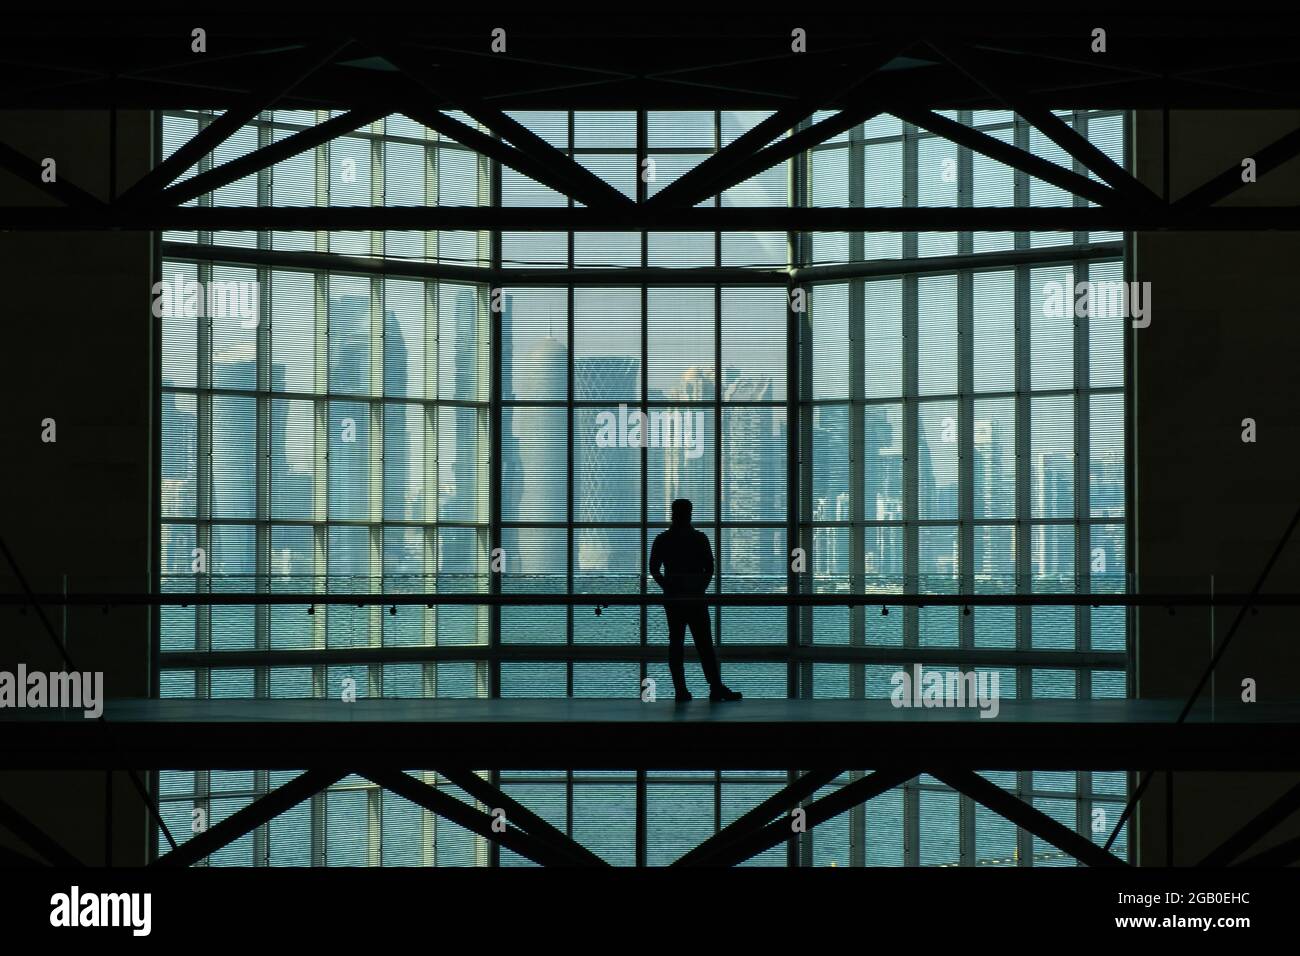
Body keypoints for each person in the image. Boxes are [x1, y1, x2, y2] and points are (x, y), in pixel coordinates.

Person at [648, 498, 742, 703]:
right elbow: (710, 568)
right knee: (704, 644)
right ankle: (715, 687)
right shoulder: (699, 539)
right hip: (696, 598)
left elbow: (654, 569)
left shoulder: (663, 539)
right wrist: (700, 587)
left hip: (674, 599)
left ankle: (681, 690)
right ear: (689, 514)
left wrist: (668, 587)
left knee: (676, 644)